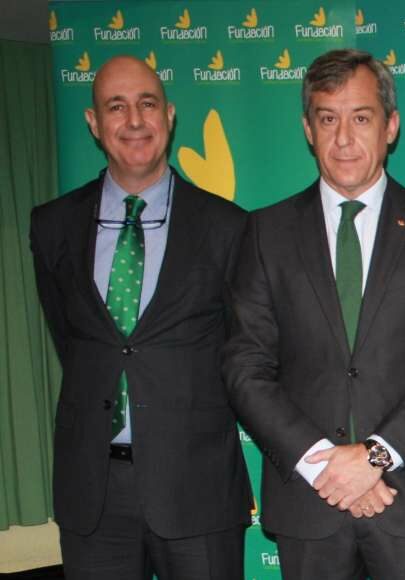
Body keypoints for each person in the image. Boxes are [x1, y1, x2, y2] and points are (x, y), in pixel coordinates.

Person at [221, 48, 405, 580]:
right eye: (327, 119)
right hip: (310, 501)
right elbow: (246, 367)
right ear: (307, 129)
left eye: (361, 118)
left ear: (391, 126)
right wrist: (324, 463)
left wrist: (374, 458)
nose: (343, 138)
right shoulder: (266, 232)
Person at [29, 55, 251, 579]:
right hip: (94, 492)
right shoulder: (53, 225)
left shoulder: (228, 227)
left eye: (147, 104)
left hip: (198, 490)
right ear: (93, 123)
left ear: (169, 116)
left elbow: (244, 350)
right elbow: (72, 339)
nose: (134, 120)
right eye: (116, 106)